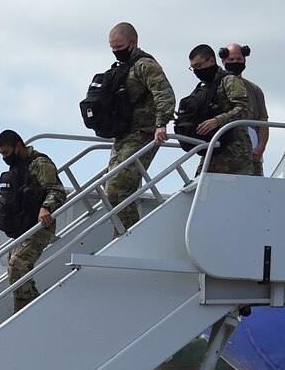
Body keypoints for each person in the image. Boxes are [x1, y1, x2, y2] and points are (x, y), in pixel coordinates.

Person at [104, 23, 176, 231]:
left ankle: (127, 235)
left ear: (133, 43)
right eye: (112, 48)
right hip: (124, 135)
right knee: (112, 187)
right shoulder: (122, 68)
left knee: (117, 186)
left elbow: (164, 93)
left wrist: (161, 123)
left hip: (143, 134)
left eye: (119, 46)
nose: (116, 51)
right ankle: (123, 234)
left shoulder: (146, 65)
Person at [0, 131, 67, 312]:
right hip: (24, 226)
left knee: (17, 264)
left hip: (41, 226)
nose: (5, 157)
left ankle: (24, 309)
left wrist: (46, 207)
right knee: (14, 267)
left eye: (6, 152)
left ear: (18, 146)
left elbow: (57, 191)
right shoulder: (18, 167)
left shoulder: (40, 163)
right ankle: (33, 305)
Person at [182, 44, 255, 174]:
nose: (197, 71)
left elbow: (244, 109)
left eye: (198, 66)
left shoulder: (230, 80)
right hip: (213, 148)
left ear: (211, 60)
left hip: (235, 153)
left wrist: (217, 120)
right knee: (200, 186)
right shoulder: (204, 87)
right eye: (193, 68)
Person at [219, 43, 269, 174]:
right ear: (223, 61)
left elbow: (263, 121)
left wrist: (261, 148)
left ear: (244, 60)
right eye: (231, 60)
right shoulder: (215, 86)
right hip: (223, 150)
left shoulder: (254, 89)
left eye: (239, 59)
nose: (235, 62)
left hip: (251, 150)